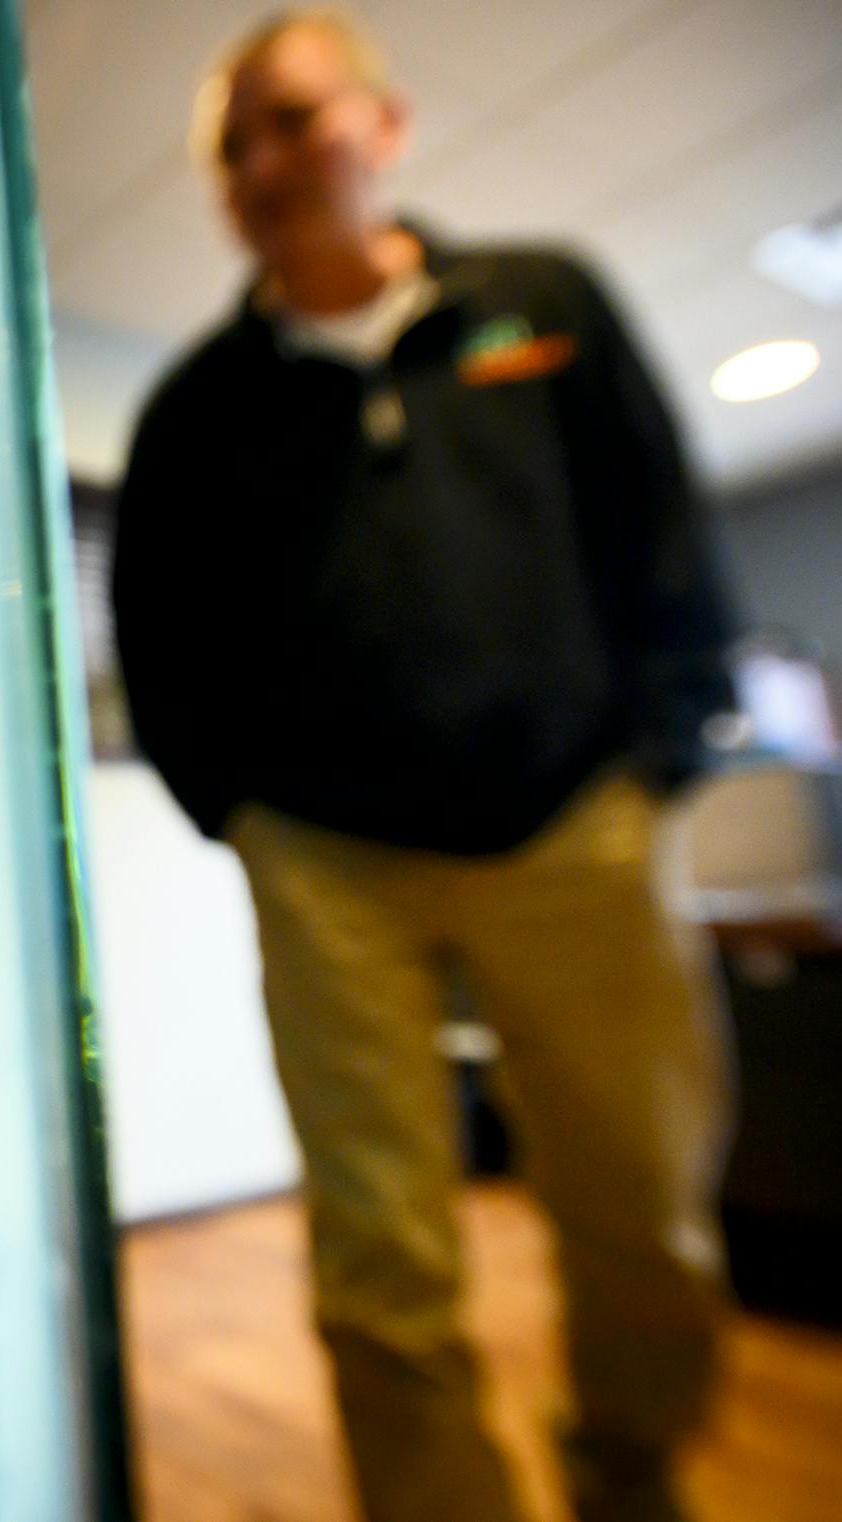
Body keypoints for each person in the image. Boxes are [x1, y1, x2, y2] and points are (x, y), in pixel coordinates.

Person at [106, 11, 739, 1522]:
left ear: (384, 125)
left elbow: (658, 518)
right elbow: (160, 636)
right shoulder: (196, 413)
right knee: (379, 1258)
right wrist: (240, 814)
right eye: (230, 144)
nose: (263, 160)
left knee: (644, 1213)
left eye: (293, 116)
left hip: (577, 822)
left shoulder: (542, 306)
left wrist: (663, 742)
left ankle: (632, 1472)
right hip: (331, 868)